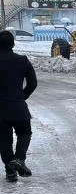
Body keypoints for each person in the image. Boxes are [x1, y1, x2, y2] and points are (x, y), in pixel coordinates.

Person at [0, 30, 37, 182]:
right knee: (24, 133)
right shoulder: (22, 60)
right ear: (13, 44)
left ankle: (10, 172)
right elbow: (33, 83)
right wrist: (22, 96)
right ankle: (19, 158)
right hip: (17, 106)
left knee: (4, 140)